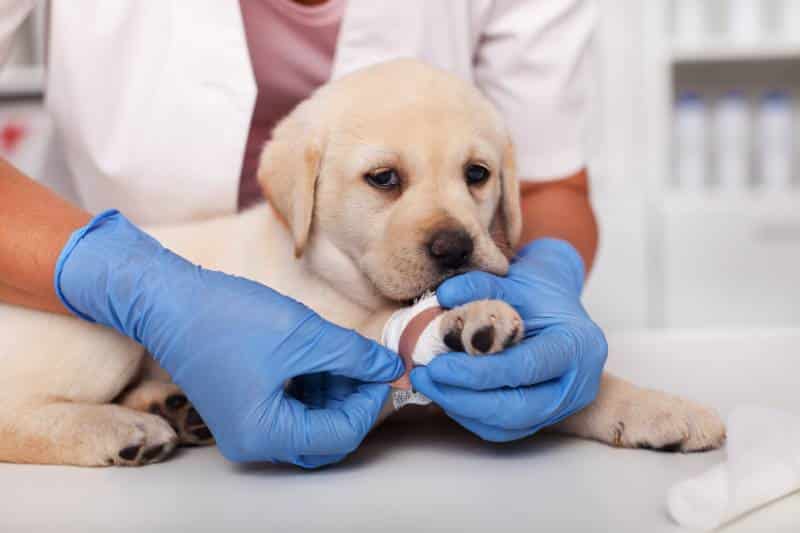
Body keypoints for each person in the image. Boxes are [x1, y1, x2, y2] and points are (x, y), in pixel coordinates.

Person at [0, 0, 607, 467]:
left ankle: (151, 397)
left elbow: (550, 179)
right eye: (385, 178)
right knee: (100, 337)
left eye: (475, 176)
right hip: (45, 265)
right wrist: (133, 287)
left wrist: (547, 273)